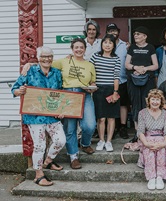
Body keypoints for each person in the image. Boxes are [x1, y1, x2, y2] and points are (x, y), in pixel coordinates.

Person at [22, 38, 97, 169]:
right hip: (67, 95)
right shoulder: (64, 61)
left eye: (81, 47)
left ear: (85, 49)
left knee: (90, 125)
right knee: (70, 128)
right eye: (76, 47)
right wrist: (29, 64)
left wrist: (92, 87)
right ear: (72, 49)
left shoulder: (89, 65)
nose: (79, 49)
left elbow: (92, 82)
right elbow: (45, 63)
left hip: (84, 95)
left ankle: (85, 144)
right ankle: (73, 156)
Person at [11, 46, 66, 186]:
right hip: (35, 116)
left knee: (60, 140)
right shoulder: (29, 71)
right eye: (44, 56)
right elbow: (15, 89)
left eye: (49, 56)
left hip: (52, 114)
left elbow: (61, 94)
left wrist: (62, 109)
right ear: (38, 57)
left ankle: (47, 162)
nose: (47, 59)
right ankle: (38, 174)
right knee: (39, 145)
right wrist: (20, 91)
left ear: (52, 58)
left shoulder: (57, 73)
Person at [125, 26, 158, 141]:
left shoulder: (150, 48)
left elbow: (155, 65)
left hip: (147, 80)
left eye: (138, 34)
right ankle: (137, 133)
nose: (135, 36)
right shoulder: (132, 48)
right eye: (135, 34)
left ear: (145, 36)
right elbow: (127, 64)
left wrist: (144, 68)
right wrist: (135, 67)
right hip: (134, 81)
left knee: (147, 104)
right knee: (135, 106)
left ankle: (147, 132)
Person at [137, 89, 166, 190]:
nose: (155, 102)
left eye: (157, 100)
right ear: (148, 101)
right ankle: (151, 177)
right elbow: (140, 131)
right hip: (147, 139)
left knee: (161, 149)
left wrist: (163, 144)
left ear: (161, 102)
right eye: (153, 99)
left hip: (161, 139)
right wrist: (146, 143)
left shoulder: (165, 114)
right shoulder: (142, 113)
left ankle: (159, 177)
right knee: (149, 150)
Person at [90, 34, 121, 152]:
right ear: (102, 44)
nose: (107, 45)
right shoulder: (95, 56)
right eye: (105, 42)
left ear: (113, 45)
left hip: (111, 90)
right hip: (98, 90)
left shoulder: (116, 58)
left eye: (110, 43)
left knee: (111, 117)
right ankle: (101, 140)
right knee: (101, 118)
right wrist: (92, 83)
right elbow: (90, 71)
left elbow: (116, 77)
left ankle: (109, 141)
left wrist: (115, 92)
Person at [106, 23, 130, 139]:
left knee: (123, 104)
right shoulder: (105, 44)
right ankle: (113, 128)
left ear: (118, 32)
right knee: (111, 104)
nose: (113, 33)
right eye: (110, 31)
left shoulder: (125, 45)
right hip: (108, 81)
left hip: (123, 79)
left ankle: (123, 127)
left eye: (115, 31)